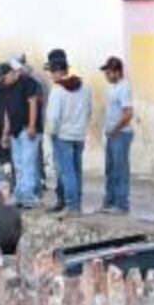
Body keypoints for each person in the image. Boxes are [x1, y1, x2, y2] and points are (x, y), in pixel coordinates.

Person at [44, 49, 92, 215]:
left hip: (62, 136)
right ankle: (77, 204)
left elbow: (54, 117)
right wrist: (81, 128)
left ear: (57, 71)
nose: (50, 75)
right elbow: (88, 111)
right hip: (79, 135)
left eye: (51, 71)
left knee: (67, 172)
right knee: (77, 170)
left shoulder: (57, 91)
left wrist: (51, 134)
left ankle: (72, 207)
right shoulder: (85, 87)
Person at [2, 59, 42, 209]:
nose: (4, 79)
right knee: (18, 164)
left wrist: (32, 125)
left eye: (6, 76)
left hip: (27, 129)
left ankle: (29, 196)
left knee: (28, 163)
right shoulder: (6, 87)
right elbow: (7, 111)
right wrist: (5, 133)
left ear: (14, 72)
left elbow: (33, 103)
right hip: (15, 130)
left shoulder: (28, 82)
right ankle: (20, 194)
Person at [100, 56, 134, 214]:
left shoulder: (124, 87)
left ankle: (122, 204)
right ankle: (110, 201)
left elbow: (128, 114)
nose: (106, 75)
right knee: (110, 169)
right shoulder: (112, 87)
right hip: (112, 134)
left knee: (120, 169)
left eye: (109, 72)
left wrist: (114, 129)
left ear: (117, 72)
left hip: (120, 134)